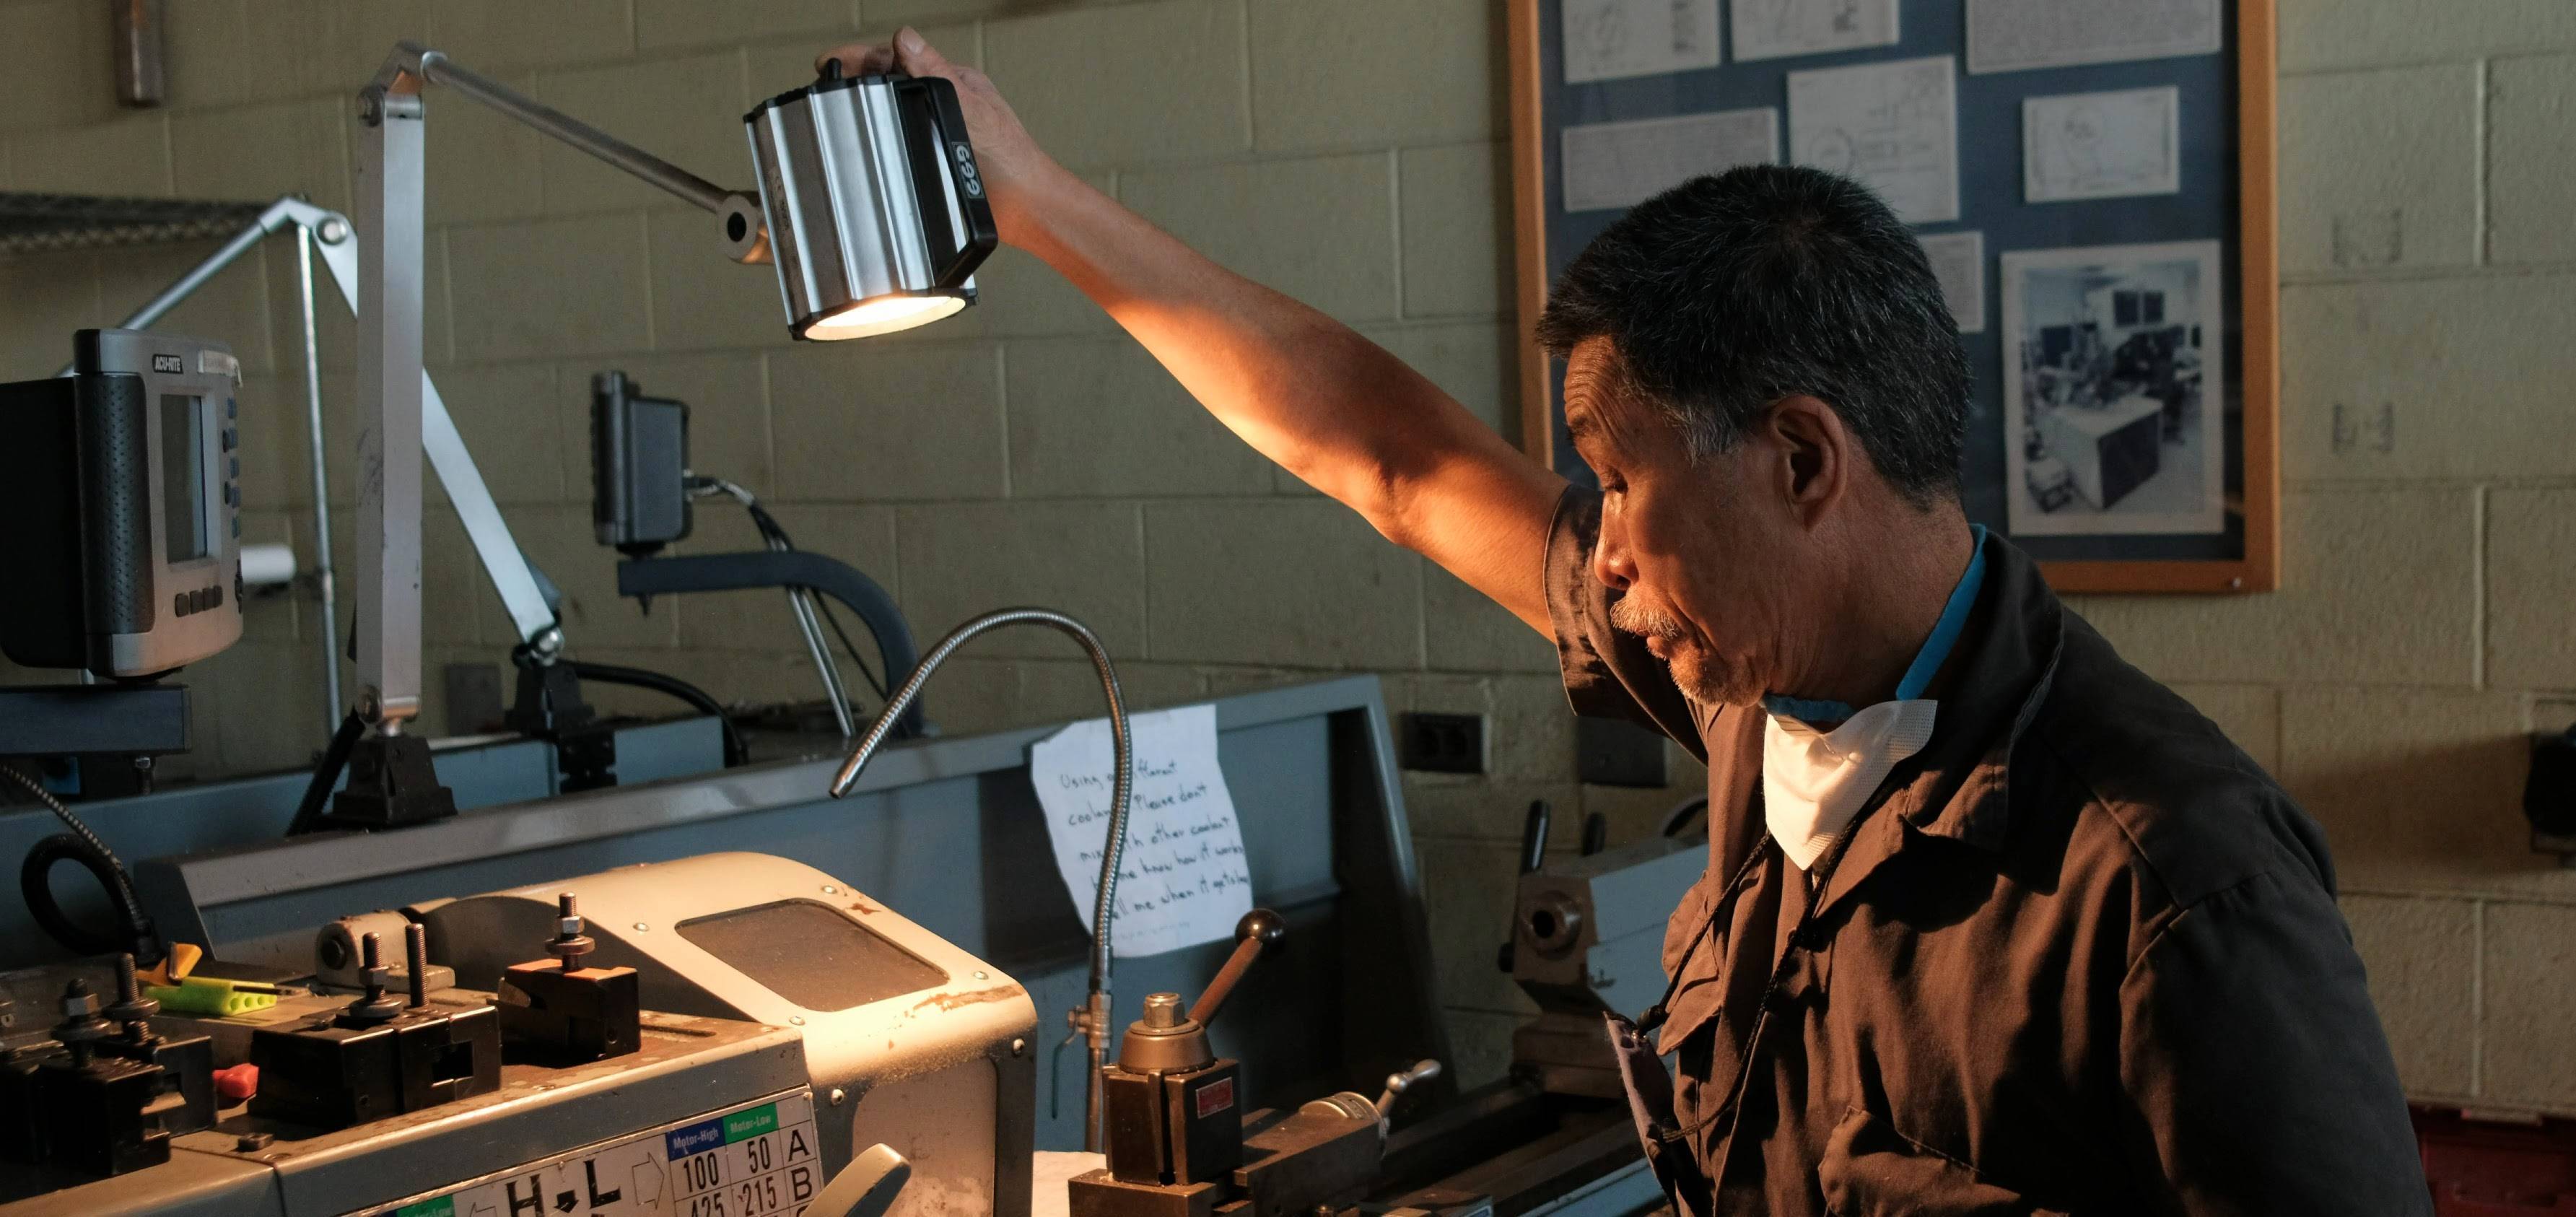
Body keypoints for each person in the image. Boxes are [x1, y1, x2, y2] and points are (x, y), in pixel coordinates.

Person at [821, 27, 2431, 1216]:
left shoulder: (2170, 890)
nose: (1595, 566)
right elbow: (1389, 459)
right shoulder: (1762, 693)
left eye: (1618, 484)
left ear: (1803, 460)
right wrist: (1027, 201)